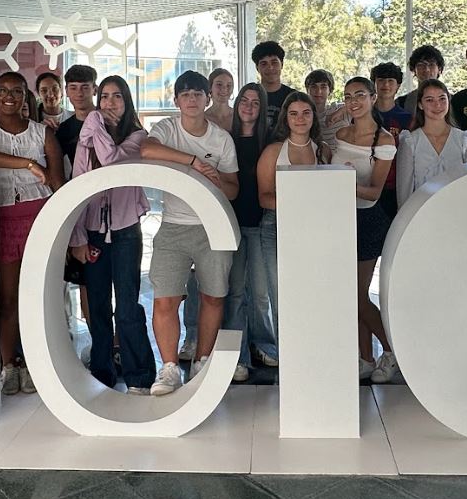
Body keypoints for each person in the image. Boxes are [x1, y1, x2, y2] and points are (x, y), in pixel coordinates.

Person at [141, 70, 239, 395]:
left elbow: (234, 189)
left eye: (198, 94)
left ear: (208, 98)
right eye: (185, 94)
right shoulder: (167, 128)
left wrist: (217, 180)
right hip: (173, 226)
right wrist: (193, 161)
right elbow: (147, 150)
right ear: (177, 101)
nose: (192, 100)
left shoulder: (221, 139)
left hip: (214, 226)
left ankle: (201, 361)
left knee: (213, 296)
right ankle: (170, 368)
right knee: (165, 299)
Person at [0, 71, 65, 395]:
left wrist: (67, 226)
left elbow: (57, 181)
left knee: (36, 295)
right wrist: (26, 163)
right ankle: (9, 364)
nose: (10, 96)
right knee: (8, 298)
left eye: (17, 91)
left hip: (39, 219)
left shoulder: (42, 132)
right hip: (0, 221)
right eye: (4, 90)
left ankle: (35, 362)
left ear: (26, 97)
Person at [69, 75, 155, 394]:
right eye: (104, 97)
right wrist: (78, 236)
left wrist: (94, 123)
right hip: (93, 233)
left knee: (128, 305)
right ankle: (102, 371)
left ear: (126, 101)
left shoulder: (137, 136)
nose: (109, 103)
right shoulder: (88, 138)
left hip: (126, 231)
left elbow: (112, 161)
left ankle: (139, 375)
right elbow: (78, 183)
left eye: (117, 96)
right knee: (98, 305)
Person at [256, 91, 332, 378]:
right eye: (294, 114)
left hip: (314, 229)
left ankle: (311, 355)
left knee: (312, 293)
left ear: (313, 117)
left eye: (306, 113)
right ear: (285, 118)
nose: (300, 119)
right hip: (277, 228)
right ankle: (290, 362)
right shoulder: (273, 151)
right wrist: (299, 201)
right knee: (282, 296)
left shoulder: (323, 150)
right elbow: (264, 196)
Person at [331, 77, 398, 383]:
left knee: (357, 295)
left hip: (367, 221)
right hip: (339, 220)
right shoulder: (341, 133)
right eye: (348, 96)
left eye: (359, 95)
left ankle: (392, 351)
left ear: (373, 98)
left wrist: (341, 182)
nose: (353, 101)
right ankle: (366, 359)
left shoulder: (383, 140)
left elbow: (373, 192)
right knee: (350, 295)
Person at [223, 83, 277, 382]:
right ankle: (237, 354)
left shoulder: (270, 142)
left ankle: (263, 346)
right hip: (229, 223)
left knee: (260, 294)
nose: (249, 106)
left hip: (260, 223)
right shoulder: (225, 139)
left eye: (256, 102)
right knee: (234, 293)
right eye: (244, 100)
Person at [55, 64, 98, 326]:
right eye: (73, 88)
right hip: (81, 211)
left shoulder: (111, 120)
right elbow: (58, 173)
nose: (79, 93)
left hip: (115, 211)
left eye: (85, 87)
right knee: (86, 283)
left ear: (94, 89)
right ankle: (99, 341)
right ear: (67, 92)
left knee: (118, 284)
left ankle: (118, 343)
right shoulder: (64, 130)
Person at [396, 79, 467, 209]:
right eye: (429, 100)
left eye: (442, 99)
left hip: (458, 210)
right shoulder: (410, 142)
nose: (437, 105)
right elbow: (404, 192)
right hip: (421, 211)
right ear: (420, 105)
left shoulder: (464, 140)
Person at [370, 62, 413, 220]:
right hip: (366, 180)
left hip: (395, 185)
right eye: (381, 80)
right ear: (373, 84)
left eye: (390, 81)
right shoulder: (363, 115)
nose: (385, 85)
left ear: (398, 86)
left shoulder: (407, 119)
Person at [251, 41, 295, 124]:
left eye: (274, 62)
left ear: (282, 64)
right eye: (264, 64)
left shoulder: (293, 97)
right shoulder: (249, 96)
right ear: (257, 68)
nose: (270, 67)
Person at [306, 69, 349, 151]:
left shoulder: (339, 109)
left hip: (343, 157)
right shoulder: (302, 115)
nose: (318, 91)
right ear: (307, 90)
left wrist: (341, 111)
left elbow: (370, 103)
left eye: (323, 87)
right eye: (314, 86)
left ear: (330, 91)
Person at [396, 45, 445, 113]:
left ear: (439, 69)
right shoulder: (402, 103)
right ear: (414, 70)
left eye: (431, 65)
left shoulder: (453, 101)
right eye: (421, 65)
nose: (426, 69)